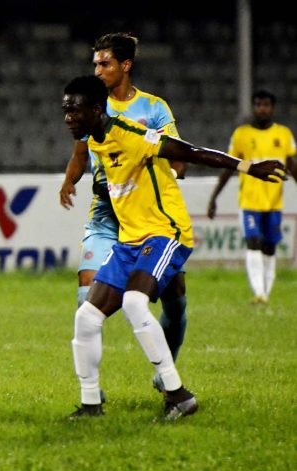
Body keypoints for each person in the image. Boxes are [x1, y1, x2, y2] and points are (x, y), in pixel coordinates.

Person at [61, 75, 285, 420]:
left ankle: (178, 395)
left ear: (95, 109)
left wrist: (248, 167)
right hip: (130, 239)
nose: (68, 118)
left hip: (165, 233)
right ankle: (91, 404)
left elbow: (190, 152)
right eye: (65, 111)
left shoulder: (132, 136)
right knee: (87, 317)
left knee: (135, 303)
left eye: (74, 111)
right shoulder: (96, 140)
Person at [59, 33, 189, 393]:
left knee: (174, 300)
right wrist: (69, 181)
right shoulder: (89, 104)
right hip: (106, 210)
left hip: (148, 214)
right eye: (95, 63)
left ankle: (166, 373)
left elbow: (177, 154)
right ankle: (92, 391)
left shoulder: (153, 108)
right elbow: (80, 154)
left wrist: (171, 172)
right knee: (87, 295)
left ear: (125, 65)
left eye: (105, 63)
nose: (98, 69)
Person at [207, 90, 297, 304]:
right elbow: (228, 168)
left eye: (266, 105)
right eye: (258, 105)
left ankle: (265, 292)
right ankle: (259, 292)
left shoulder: (283, 134)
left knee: (269, 246)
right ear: (253, 107)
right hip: (249, 202)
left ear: (272, 107)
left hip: (274, 202)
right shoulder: (241, 135)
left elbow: (292, 166)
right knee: (254, 241)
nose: (262, 109)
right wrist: (214, 197)